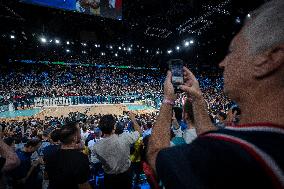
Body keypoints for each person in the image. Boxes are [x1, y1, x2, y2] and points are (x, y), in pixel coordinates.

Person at [147, 0, 284, 188]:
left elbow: (156, 156)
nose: (222, 63)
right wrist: (197, 97)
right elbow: (213, 139)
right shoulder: (266, 141)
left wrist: (168, 99)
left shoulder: (230, 156)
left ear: (268, 59)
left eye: (232, 51)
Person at [92, 112, 142, 189]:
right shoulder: (125, 138)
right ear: (114, 127)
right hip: (125, 176)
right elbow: (139, 132)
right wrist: (133, 119)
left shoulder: (96, 147)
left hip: (109, 178)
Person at [45, 122, 91, 189]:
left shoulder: (51, 154)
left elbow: (46, 176)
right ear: (75, 138)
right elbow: (83, 185)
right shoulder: (81, 158)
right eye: (79, 133)